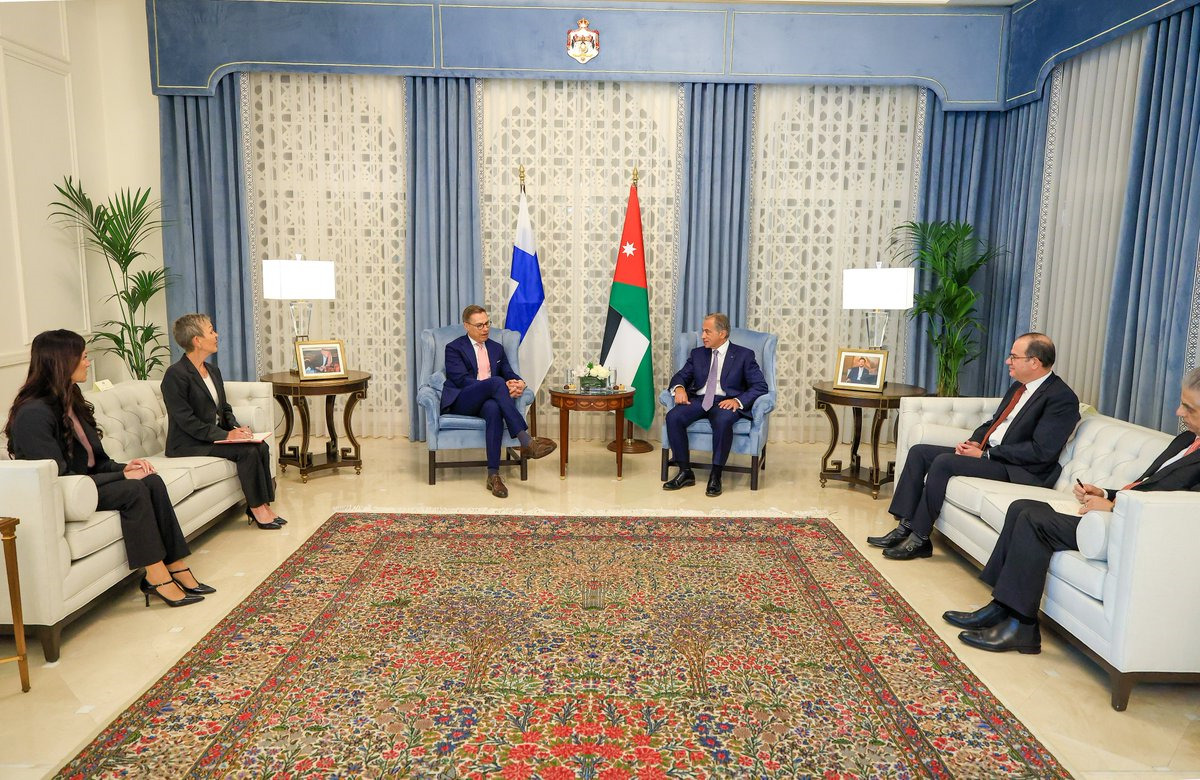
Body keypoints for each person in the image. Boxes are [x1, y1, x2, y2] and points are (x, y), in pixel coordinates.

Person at [945, 366, 1200, 654]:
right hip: (1120, 512)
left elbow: (1178, 513)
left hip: (1134, 531)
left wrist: (1113, 507)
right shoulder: (1185, 441)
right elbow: (1147, 486)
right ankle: (999, 607)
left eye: (1188, 407)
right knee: (1021, 507)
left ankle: (1023, 627)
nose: (1178, 412)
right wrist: (1105, 493)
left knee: (1033, 519)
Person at [4, 330, 211, 607]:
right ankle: (156, 576)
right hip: (67, 494)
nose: (88, 362)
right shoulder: (34, 414)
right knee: (134, 491)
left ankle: (175, 564)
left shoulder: (70, 398)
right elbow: (61, 478)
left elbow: (96, 461)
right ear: (62, 361)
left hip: (86, 483)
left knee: (151, 479)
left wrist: (126, 467)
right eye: (83, 357)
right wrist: (121, 476)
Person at [868, 332, 1080, 560]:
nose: (1008, 361)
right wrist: (976, 441)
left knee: (944, 462)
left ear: (1034, 362)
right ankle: (905, 527)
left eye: (1013, 357)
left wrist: (986, 455)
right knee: (920, 452)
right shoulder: (1019, 388)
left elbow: (1040, 451)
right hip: (993, 455)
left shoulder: (1061, 398)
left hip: (1020, 469)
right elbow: (994, 422)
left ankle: (919, 538)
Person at [161, 314, 287, 530]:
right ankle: (256, 508)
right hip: (187, 443)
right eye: (211, 331)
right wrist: (226, 435)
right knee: (247, 452)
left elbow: (224, 408)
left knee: (260, 446)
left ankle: (264, 505)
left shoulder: (212, 371)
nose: (216, 335)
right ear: (197, 340)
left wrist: (236, 428)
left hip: (211, 436)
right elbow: (186, 421)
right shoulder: (175, 375)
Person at [441, 304, 556, 498]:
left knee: (493, 408)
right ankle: (525, 440)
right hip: (463, 400)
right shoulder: (454, 348)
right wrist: (495, 386)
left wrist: (518, 382)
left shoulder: (496, 348)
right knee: (495, 382)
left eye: (487, 323)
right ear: (467, 326)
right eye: (479, 325)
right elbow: (461, 380)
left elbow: (508, 372)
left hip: (488, 400)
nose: (485, 328)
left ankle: (493, 475)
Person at [662, 312, 769, 497]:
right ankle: (685, 471)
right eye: (703, 331)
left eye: (707, 331)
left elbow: (760, 386)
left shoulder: (744, 355)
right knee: (673, 417)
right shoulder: (698, 354)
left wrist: (737, 401)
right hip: (699, 400)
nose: (703, 336)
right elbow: (681, 376)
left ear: (722, 333)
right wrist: (679, 388)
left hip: (725, 402)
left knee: (722, 421)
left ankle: (716, 475)